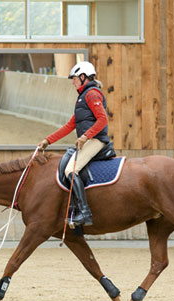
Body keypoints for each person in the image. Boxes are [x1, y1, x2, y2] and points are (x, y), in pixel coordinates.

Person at [37, 61, 112, 228]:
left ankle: (85, 213)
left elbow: (102, 119)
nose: (73, 82)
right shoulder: (82, 97)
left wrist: (86, 136)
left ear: (83, 77)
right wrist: (48, 140)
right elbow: (70, 126)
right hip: (89, 140)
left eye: (75, 78)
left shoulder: (92, 94)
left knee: (71, 170)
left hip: (96, 141)